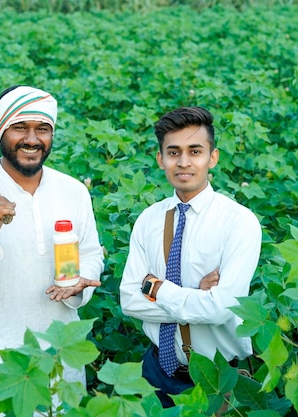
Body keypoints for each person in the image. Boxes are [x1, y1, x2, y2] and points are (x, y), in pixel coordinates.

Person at [0, 85, 104, 411]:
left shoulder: (73, 192)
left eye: (42, 129)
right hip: (0, 368)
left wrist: (83, 280)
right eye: (19, 128)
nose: (32, 139)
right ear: (1, 133)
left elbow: (91, 253)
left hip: (62, 362)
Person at [119, 106, 262, 408]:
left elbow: (221, 309)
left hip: (218, 377)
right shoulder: (149, 219)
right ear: (160, 159)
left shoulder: (239, 222)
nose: (184, 162)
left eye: (195, 151)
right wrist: (197, 295)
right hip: (156, 370)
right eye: (173, 152)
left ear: (213, 157)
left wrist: (158, 290)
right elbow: (129, 300)